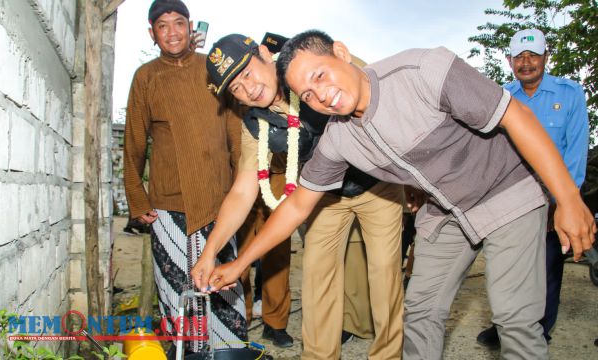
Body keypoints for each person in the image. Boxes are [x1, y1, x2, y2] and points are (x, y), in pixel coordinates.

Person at [204, 30, 597, 360]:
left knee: (513, 317)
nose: (321, 96)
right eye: (307, 94)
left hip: (504, 191)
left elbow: (517, 116)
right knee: (420, 311)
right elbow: (298, 205)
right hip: (445, 210)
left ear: (342, 53)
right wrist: (238, 265)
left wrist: (568, 198)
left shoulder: (423, 69)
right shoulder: (337, 138)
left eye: (321, 76)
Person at [192, 33, 406, 359]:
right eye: (236, 87)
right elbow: (242, 190)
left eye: (247, 73)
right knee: (317, 284)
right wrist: (210, 252)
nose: (248, 89)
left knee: (384, 276)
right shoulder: (254, 123)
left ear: (264, 53)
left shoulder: (306, 66)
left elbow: (372, 86)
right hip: (320, 199)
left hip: (377, 186)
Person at [123, 0, 246, 355]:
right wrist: (137, 194)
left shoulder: (212, 70)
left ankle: (227, 352)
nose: (173, 32)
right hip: (167, 202)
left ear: (191, 27)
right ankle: (186, 353)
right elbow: (133, 140)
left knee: (223, 286)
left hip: (220, 199)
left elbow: (235, 134)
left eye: (179, 23)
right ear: (152, 33)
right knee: (176, 288)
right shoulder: (145, 77)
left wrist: (241, 188)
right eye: (163, 26)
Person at [476, 28, 589, 347]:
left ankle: (540, 329)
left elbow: (576, 149)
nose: (526, 62)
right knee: (508, 266)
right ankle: (506, 326)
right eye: (519, 57)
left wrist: (566, 198)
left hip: (552, 197)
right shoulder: (502, 96)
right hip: (510, 197)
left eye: (533, 55)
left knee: (547, 269)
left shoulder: (570, 94)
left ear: (545, 57)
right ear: (510, 61)